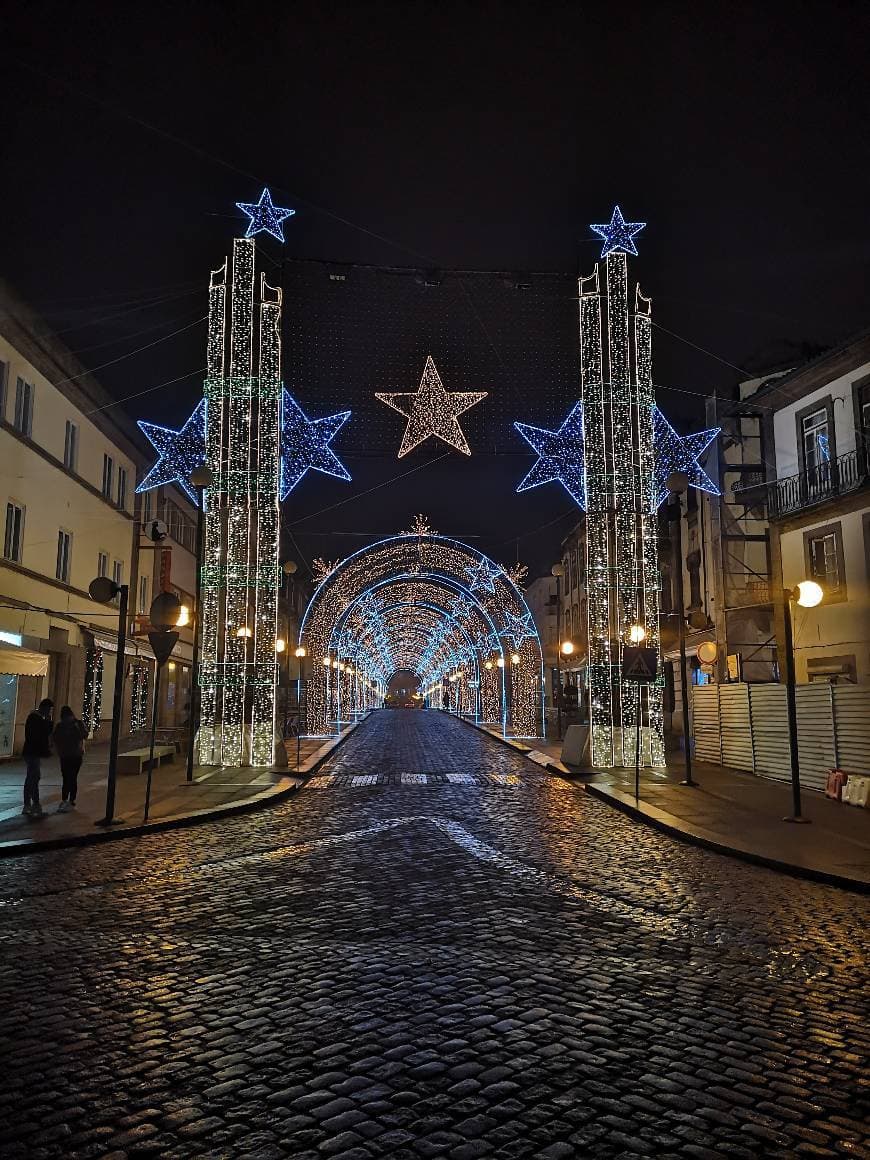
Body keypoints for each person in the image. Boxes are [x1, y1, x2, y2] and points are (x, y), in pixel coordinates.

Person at [22, 698, 53, 818]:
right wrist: (48, 723)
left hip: (32, 752)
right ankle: (29, 804)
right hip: (32, 752)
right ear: (44, 708)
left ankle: (34, 804)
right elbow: (41, 734)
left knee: (34, 777)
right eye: (49, 710)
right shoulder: (35, 718)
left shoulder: (35, 718)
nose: (50, 713)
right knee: (32, 777)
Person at [53, 706, 87, 812]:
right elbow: (56, 738)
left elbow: (84, 735)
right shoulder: (63, 725)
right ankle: (68, 800)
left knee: (70, 777)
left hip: (72, 755)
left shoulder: (74, 724)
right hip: (70, 755)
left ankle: (69, 800)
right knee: (69, 777)